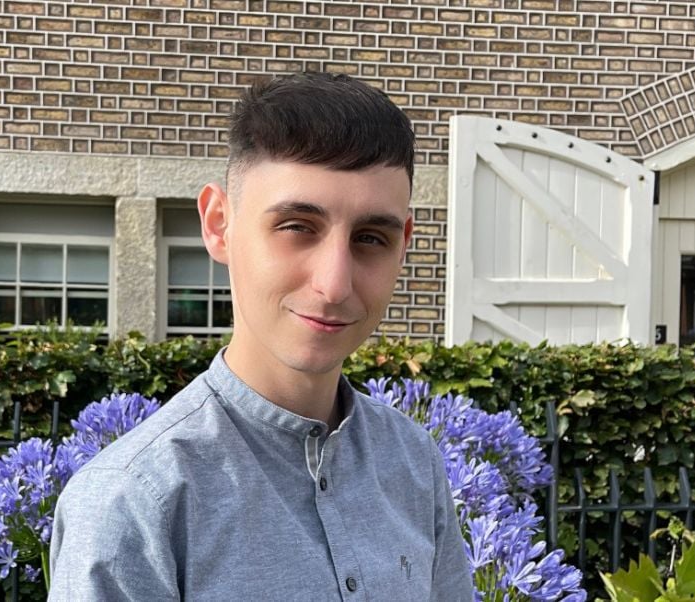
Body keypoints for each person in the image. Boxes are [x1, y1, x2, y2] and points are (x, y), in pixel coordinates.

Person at [48, 71, 473, 601]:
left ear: (404, 243)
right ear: (219, 224)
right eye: (297, 226)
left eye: (370, 238)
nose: (334, 284)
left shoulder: (414, 462)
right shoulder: (134, 498)